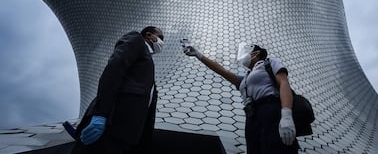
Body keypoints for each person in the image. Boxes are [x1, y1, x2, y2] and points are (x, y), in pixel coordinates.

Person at [184, 43, 299, 154]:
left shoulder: (269, 64)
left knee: (275, 147)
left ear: (256, 53)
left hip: (270, 111)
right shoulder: (244, 80)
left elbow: (284, 83)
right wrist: (198, 55)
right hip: (252, 118)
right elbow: (222, 71)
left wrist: (286, 115)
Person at [71, 26, 164, 154]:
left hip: (125, 134)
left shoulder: (148, 61)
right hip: (111, 122)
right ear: (148, 35)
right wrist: (100, 114)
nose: (161, 42)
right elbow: (114, 69)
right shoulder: (136, 40)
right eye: (160, 37)